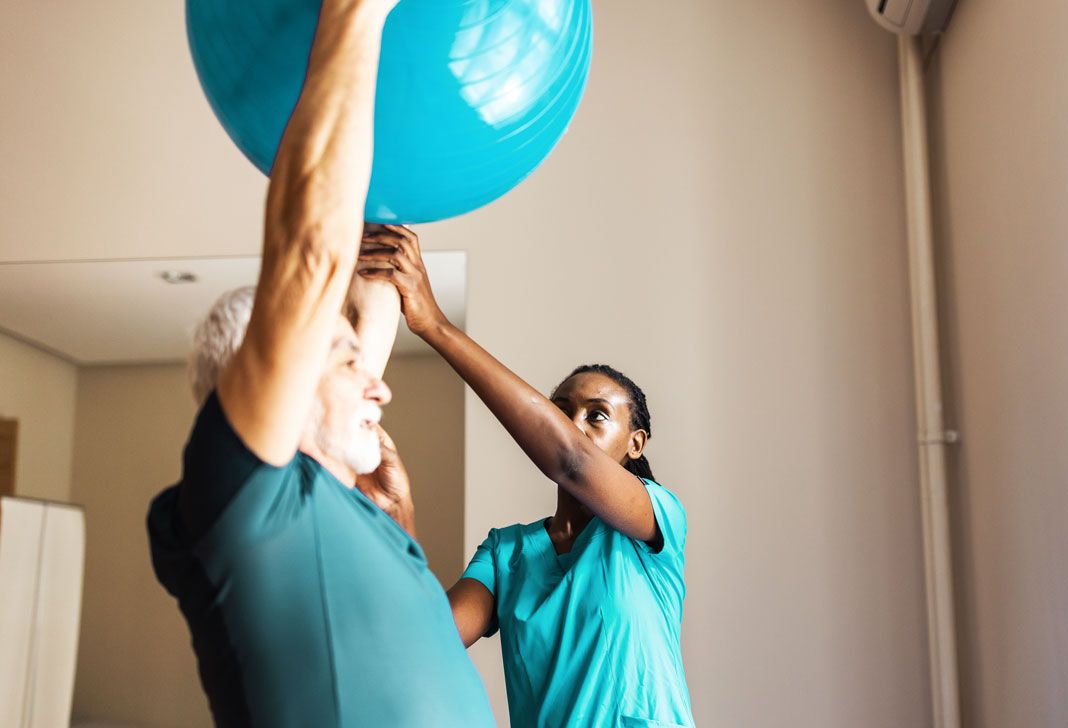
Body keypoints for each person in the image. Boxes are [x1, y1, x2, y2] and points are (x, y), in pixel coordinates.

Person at [145, 1, 494, 724]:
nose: (380, 384)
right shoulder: (243, 497)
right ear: (272, 379)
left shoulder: (348, 500)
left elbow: (370, 299)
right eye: (343, 358)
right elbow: (313, 255)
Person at [358, 228, 696, 728]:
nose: (573, 425)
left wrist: (433, 324)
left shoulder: (654, 524)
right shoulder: (507, 554)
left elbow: (571, 460)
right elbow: (428, 643)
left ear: (636, 443)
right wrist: (398, 523)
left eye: (596, 415)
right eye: (561, 412)